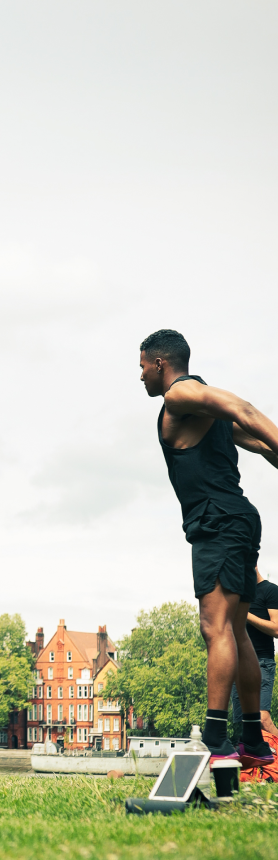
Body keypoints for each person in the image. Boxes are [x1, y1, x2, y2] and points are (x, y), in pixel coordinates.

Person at [140, 328, 277, 765]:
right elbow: (259, 443)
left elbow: (244, 409)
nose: (140, 376)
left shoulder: (180, 395)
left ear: (160, 363)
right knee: (236, 631)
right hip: (238, 519)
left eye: (142, 367)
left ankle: (215, 738)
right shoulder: (206, 416)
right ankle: (253, 741)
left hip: (217, 522)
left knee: (214, 628)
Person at [231, 566, 278, 739]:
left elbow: (276, 629)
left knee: (263, 719)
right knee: (242, 724)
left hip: (262, 662)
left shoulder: (270, 590)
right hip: (238, 665)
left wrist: (245, 614)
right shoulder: (237, 595)